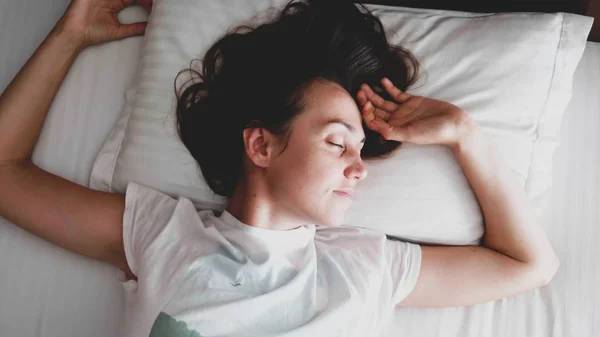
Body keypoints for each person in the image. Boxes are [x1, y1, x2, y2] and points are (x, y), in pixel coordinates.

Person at [0, 0, 560, 336]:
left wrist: (465, 135)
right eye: (339, 143)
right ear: (261, 146)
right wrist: (68, 36)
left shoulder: (363, 267)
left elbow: (527, 265)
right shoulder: (164, 233)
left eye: (361, 150)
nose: (358, 168)